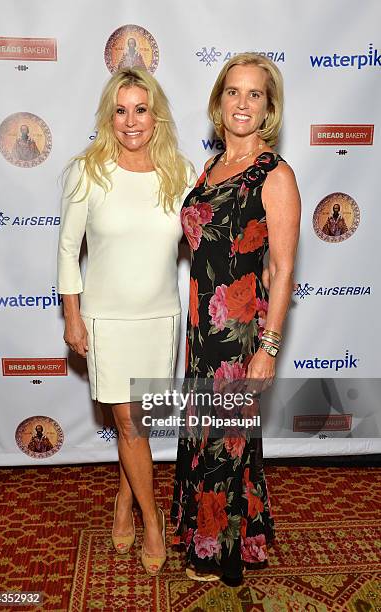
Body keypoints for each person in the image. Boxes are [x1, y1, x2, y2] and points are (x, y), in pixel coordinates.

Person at [57, 67, 195, 576]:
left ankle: (123, 500)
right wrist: (72, 317)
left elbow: (205, 241)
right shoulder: (87, 172)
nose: (131, 120)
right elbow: (68, 252)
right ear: (108, 116)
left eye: (140, 109)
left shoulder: (178, 172)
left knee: (132, 422)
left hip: (161, 318)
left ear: (155, 115)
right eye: (121, 110)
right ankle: (153, 520)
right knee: (130, 422)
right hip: (106, 320)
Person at [171, 53, 301, 586]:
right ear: (218, 102)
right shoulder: (212, 167)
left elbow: (283, 267)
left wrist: (268, 348)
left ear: (269, 108)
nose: (242, 103)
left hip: (240, 331)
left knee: (226, 439)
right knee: (207, 434)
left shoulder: (274, 173)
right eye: (233, 92)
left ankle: (219, 552)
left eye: (254, 94)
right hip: (202, 330)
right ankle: (234, 538)